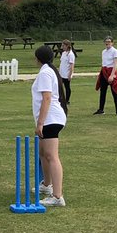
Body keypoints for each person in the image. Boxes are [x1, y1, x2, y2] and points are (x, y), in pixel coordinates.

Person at [32, 45, 68, 207]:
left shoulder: (45, 72)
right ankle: (46, 185)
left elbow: (47, 98)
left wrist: (40, 122)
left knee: (51, 155)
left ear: (38, 58)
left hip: (51, 119)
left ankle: (57, 196)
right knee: (42, 152)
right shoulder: (48, 70)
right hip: (50, 118)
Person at [93, 35, 117, 115]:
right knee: (103, 92)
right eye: (106, 42)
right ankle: (101, 109)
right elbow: (104, 63)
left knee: (114, 92)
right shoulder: (103, 51)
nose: (107, 43)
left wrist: (112, 75)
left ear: (112, 43)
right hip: (104, 72)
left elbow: (115, 64)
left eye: (109, 42)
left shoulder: (115, 51)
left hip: (111, 71)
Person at [57, 40, 75, 110]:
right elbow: (62, 63)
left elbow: (71, 65)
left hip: (66, 74)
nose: (62, 47)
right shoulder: (64, 53)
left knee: (67, 87)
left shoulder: (71, 54)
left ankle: (67, 100)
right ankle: (60, 99)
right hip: (61, 73)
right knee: (60, 87)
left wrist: (70, 74)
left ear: (67, 46)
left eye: (63, 46)